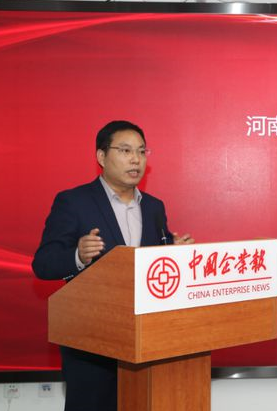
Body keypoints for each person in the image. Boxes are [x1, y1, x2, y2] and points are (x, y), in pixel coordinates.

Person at [32, 120, 193, 411]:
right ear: (102, 156)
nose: (136, 159)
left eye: (142, 151)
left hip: (148, 344)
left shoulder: (154, 207)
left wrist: (175, 254)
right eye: (126, 150)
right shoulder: (74, 202)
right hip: (92, 347)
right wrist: (78, 256)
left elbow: (155, 267)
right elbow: (43, 264)